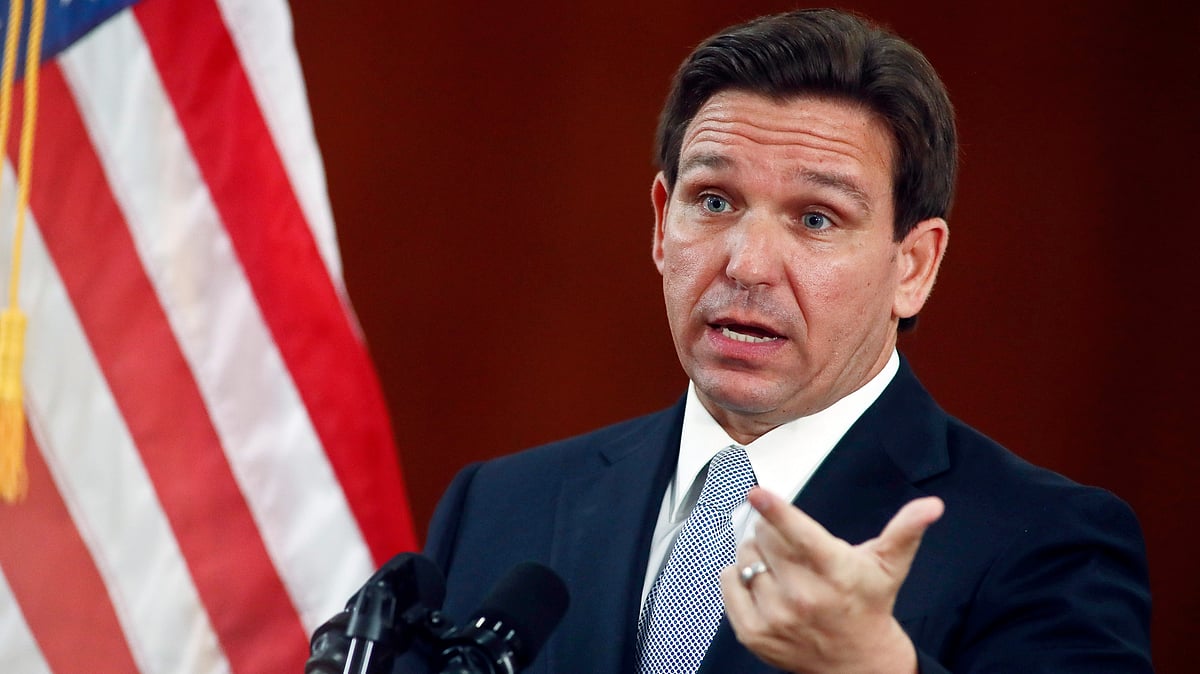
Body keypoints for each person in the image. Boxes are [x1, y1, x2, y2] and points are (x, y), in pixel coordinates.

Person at [412, 8, 1153, 673]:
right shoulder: (500, 504)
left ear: (913, 266)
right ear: (661, 223)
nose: (747, 263)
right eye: (714, 201)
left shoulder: (1048, 541)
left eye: (816, 219)